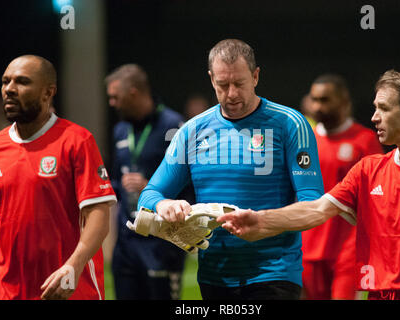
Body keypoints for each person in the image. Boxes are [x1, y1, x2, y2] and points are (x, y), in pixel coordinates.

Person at [218, 70, 400, 300]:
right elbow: (317, 209)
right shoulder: (368, 169)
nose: (374, 116)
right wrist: (261, 219)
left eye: (384, 108)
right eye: (375, 107)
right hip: (378, 294)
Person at [136, 39, 324, 300]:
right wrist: (165, 205)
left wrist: (263, 223)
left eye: (240, 83)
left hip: (274, 273)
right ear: (211, 79)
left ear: (256, 76)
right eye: (223, 85)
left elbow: (314, 205)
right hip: (215, 276)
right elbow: (150, 193)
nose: (232, 93)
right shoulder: (192, 131)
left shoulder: (290, 124)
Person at [0, 55, 117, 300]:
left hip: (71, 289)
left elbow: (99, 216)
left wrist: (74, 264)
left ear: (48, 92)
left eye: (22, 82)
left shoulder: (77, 141)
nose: (9, 89)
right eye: (5, 81)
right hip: (10, 292)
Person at [105, 64, 193, 299]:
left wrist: (151, 189)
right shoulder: (121, 130)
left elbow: (191, 184)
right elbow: (115, 180)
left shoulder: (174, 126)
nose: (112, 103)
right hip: (126, 243)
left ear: (133, 93)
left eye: (116, 97)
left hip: (162, 241)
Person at [301, 74, 383, 300]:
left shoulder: (365, 140)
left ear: (344, 101)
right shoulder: (304, 142)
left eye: (325, 100)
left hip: (348, 249)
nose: (318, 107)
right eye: (315, 100)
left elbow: (377, 196)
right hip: (308, 248)